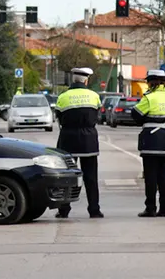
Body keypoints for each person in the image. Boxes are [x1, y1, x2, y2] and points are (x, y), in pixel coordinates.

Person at [55, 67, 103, 219]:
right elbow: (97, 115)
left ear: (73, 79)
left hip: (68, 139)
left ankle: (64, 209)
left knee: (67, 176)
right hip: (89, 141)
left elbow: (59, 117)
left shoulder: (63, 96)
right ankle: (94, 210)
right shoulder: (94, 96)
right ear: (86, 80)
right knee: (91, 177)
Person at [131, 69, 165, 218]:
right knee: (163, 175)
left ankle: (150, 208)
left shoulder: (149, 97)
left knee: (150, 176)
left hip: (150, 140)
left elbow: (135, 114)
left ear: (151, 82)